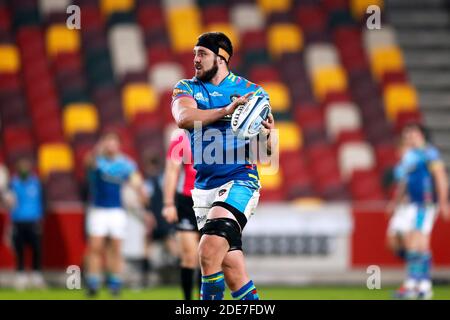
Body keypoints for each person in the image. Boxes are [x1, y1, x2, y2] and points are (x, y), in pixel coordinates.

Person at [171, 32, 276, 300]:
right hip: (204, 189)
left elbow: (267, 151)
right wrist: (226, 111)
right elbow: (184, 118)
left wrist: (267, 136)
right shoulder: (186, 87)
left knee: (207, 251)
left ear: (221, 58)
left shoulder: (253, 93)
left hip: (240, 181)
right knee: (233, 271)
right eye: (195, 53)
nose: (195, 59)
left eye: (202, 54)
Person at [389, 123, 449, 299]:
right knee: (413, 245)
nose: (408, 137)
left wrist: (444, 201)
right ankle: (420, 284)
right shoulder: (411, 156)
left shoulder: (430, 153)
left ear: (420, 135)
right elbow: (405, 182)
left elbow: (440, 177)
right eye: (406, 135)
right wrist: (396, 201)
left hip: (426, 204)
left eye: (411, 134)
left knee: (418, 243)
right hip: (413, 205)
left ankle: (417, 285)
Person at [84, 132, 147, 297]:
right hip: (98, 210)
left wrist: (141, 193)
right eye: (107, 142)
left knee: (115, 248)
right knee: (95, 247)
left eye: (113, 142)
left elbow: (136, 181)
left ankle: (115, 283)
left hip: (117, 210)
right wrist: (98, 148)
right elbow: (88, 162)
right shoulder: (97, 160)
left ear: (118, 144)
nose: (111, 145)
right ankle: (93, 282)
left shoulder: (125, 164)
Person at [163, 130, 200, 300]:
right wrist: (169, 203)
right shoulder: (181, 137)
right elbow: (172, 170)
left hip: (214, 199)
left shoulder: (219, 133)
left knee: (208, 258)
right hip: (187, 201)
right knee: (189, 256)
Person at [4, 157, 46, 290]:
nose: (24, 170)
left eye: (26, 167)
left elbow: (43, 201)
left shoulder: (36, 183)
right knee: (19, 250)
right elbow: (7, 202)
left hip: (33, 221)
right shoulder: (13, 183)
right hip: (18, 221)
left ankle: (36, 275)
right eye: (21, 168)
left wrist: (41, 218)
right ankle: (20, 275)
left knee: (36, 249)